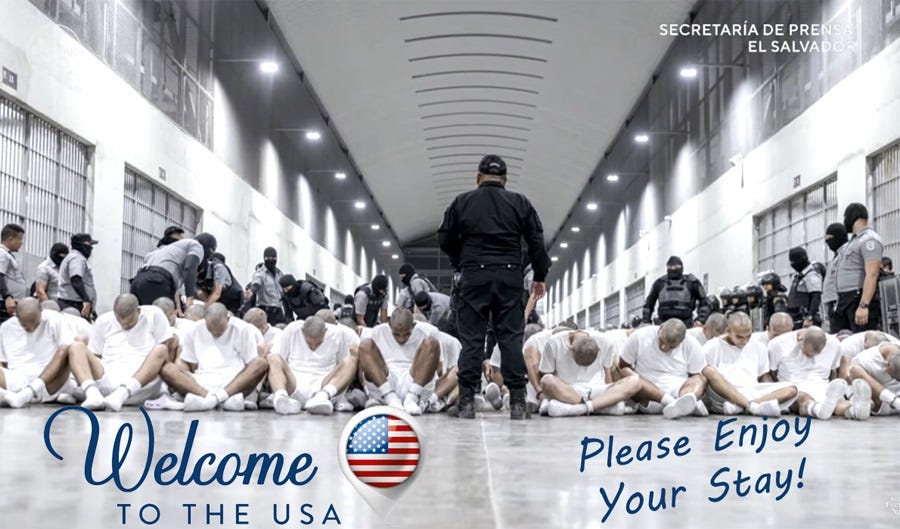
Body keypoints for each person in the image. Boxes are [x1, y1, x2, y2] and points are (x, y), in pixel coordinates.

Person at [437, 154, 551, 420]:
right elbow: (537, 241)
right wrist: (540, 275)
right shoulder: (519, 203)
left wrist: (460, 260)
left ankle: (466, 401)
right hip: (509, 276)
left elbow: (444, 237)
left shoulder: (462, 202)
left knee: (472, 340)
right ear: (505, 180)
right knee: (510, 338)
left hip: (474, 275)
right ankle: (519, 402)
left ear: (478, 178)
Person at [160, 303, 269, 412]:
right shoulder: (194, 330)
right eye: (211, 330)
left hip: (234, 383)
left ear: (228, 319)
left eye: (220, 331)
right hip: (202, 383)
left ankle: (212, 400)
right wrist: (185, 378)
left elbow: (250, 363)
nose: (215, 334)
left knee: (261, 363)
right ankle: (214, 400)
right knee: (167, 369)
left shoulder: (243, 329)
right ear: (205, 319)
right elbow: (188, 362)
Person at [700, 312, 797, 417]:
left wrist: (772, 391)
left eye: (748, 336)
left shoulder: (759, 347)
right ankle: (752, 407)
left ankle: (741, 407)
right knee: (708, 370)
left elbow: (763, 376)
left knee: (792, 389)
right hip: (725, 394)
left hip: (750, 391)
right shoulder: (712, 346)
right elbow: (705, 378)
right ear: (728, 331)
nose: (744, 341)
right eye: (739, 337)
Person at [767, 326, 868, 420]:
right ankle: (818, 409)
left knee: (836, 401)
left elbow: (833, 370)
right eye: (808, 353)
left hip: (822, 385)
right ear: (800, 340)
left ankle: (854, 411)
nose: (812, 356)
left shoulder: (834, 344)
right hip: (794, 386)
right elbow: (772, 372)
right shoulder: (778, 344)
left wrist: (834, 386)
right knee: (803, 398)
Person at [266, 315, 359, 415]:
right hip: (293, 384)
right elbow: (277, 357)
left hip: (324, 386)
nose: (314, 346)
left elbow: (343, 366)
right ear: (302, 331)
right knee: (273, 357)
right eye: (309, 343)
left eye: (318, 343)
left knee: (351, 360)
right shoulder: (292, 329)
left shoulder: (339, 333)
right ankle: (281, 397)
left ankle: (322, 397)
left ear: (326, 331)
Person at [357, 308, 442, 416]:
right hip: (385, 381)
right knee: (365, 345)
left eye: (407, 334)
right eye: (396, 334)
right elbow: (363, 364)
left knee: (431, 343)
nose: (401, 339)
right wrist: (367, 391)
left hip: (415, 381)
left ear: (414, 325)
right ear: (389, 325)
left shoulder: (426, 332)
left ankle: (412, 398)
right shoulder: (378, 331)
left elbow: (437, 368)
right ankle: (390, 397)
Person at [618, 319, 708, 419]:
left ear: (682, 341)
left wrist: (690, 392)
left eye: (671, 346)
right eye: (661, 341)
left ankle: (685, 402)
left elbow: (695, 375)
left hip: (679, 390)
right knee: (626, 373)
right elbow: (623, 366)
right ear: (660, 328)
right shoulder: (640, 336)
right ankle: (675, 404)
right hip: (648, 394)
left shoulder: (691, 343)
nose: (664, 347)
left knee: (701, 378)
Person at [539, 330, 641, 417]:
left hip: (597, 389)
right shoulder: (553, 342)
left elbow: (607, 374)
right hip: (568, 390)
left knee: (635, 381)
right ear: (571, 349)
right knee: (546, 380)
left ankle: (581, 408)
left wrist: (611, 392)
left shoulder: (605, 342)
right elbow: (545, 373)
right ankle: (600, 407)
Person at [0, 298, 79, 407]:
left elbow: (68, 348)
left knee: (67, 348)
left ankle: (28, 394)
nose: (32, 329)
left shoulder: (55, 319)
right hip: (18, 379)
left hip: (51, 380)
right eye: (26, 326)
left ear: (41, 311)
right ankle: (12, 395)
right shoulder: (6, 328)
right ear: (16, 316)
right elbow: (3, 363)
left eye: (36, 324)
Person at [832, 203, 883, 333]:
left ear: (852, 217)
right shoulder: (853, 241)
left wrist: (864, 305)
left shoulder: (869, 240)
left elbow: (872, 274)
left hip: (857, 298)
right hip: (845, 299)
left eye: (845, 217)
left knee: (861, 340)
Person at [130, 234, 217, 309]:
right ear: (209, 250)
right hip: (157, 281)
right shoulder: (197, 246)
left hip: (138, 281)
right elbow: (189, 268)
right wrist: (190, 298)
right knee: (162, 321)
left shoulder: (170, 250)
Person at [642, 256, 710, 327]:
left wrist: (701, 320)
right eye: (670, 267)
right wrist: (646, 321)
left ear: (681, 267)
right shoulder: (659, 283)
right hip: (663, 324)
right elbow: (648, 303)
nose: (673, 269)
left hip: (686, 325)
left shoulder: (691, 282)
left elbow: (705, 302)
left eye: (676, 266)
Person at [849, 342, 900, 416]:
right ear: (886, 363)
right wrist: (894, 400)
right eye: (894, 377)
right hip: (881, 400)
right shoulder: (866, 358)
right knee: (855, 370)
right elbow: (852, 373)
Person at [58, 233, 99, 320]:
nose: (91, 248)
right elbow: (76, 279)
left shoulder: (75, 257)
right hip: (74, 305)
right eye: (89, 244)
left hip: (76, 304)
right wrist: (86, 300)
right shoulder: (77, 258)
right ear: (82, 245)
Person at [786, 247, 823, 329]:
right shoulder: (799, 276)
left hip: (806, 321)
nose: (792, 264)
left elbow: (816, 297)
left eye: (794, 261)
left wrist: (810, 317)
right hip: (797, 320)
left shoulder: (812, 275)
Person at [822, 223, 849, 325]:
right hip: (834, 302)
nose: (827, 241)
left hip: (841, 301)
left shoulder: (846, 253)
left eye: (829, 238)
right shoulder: (837, 254)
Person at [0, 223, 27, 323]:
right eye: (20, 239)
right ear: (11, 239)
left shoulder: (7, 254)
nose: (21, 243)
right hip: (5, 303)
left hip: (9, 302)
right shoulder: (2, 254)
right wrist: (7, 297)